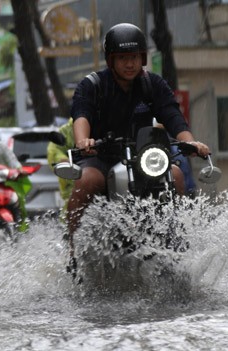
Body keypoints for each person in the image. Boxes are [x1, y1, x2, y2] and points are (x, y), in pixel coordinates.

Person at [68, 22, 211, 244]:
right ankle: (72, 245)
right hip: (100, 157)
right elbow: (81, 115)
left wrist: (191, 143)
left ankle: (179, 241)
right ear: (111, 60)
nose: (130, 64)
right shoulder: (93, 85)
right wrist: (83, 141)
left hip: (144, 157)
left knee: (177, 175)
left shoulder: (152, 84)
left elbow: (173, 117)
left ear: (142, 58)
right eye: (123, 58)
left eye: (134, 57)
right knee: (86, 180)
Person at [46, 117, 75, 213]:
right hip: (71, 184)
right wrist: (63, 160)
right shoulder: (65, 130)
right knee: (71, 210)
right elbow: (54, 151)